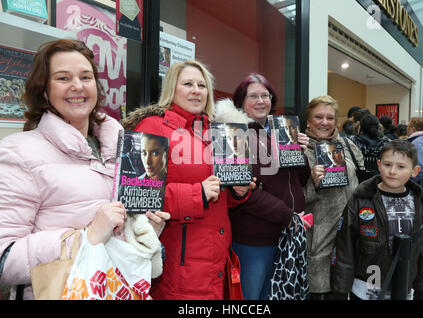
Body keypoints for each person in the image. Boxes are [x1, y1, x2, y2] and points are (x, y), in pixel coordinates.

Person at [0, 39, 168, 300]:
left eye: (85, 77)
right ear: (43, 90)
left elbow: (121, 231)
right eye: (63, 78)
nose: (77, 86)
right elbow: (4, 258)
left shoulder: (124, 147)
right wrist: (83, 239)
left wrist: (144, 229)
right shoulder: (18, 153)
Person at [121, 60, 255, 300]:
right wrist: (198, 194)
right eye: (188, 84)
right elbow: (136, 197)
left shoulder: (217, 131)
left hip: (216, 263)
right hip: (177, 267)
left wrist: (237, 191)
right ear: (172, 88)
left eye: (202, 85)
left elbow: (221, 198)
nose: (196, 90)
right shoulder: (152, 127)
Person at [229, 73, 311, 300]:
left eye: (265, 95)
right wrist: (288, 215)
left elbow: (301, 180)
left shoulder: (281, 131)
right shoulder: (234, 134)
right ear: (240, 101)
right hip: (254, 239)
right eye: (253, 96)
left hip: (285, 237)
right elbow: (244, 191)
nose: (260, 101)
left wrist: (300, 152)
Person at [331, 139, 423, 300]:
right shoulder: (361, 199)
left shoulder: (419, 202)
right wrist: (340, 291)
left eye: (401, 166)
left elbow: (421, 247)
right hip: (365, 289)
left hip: (402, 288)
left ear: (415, 171)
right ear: (379, 165)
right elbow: (345, 246)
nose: (392, 171)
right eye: (387, 164)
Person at [302, 95, 365, 300]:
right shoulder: (299, 150)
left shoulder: (347, 146)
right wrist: (314, 184)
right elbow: (292, 198)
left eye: (329, 117)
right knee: (320, 293)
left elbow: (363, 183)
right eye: (318, 117)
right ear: (309, 121)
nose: (324, 122)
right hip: (318, 241)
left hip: (351, 238)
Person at [350, 114, 390, 179]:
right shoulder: (386, 143)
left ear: (360, 127)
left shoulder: (351, 141)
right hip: (379, 180)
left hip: (357, 180)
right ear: (378, 127)